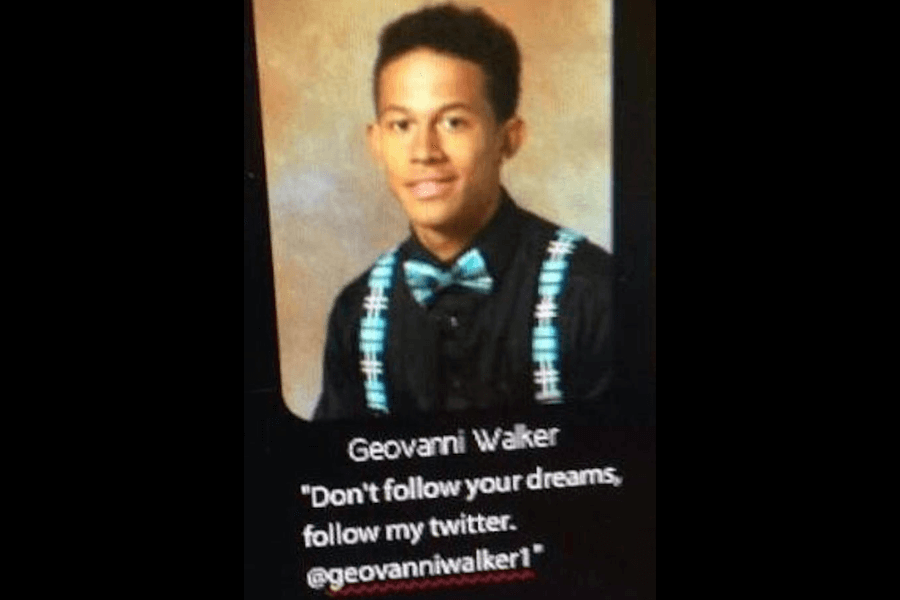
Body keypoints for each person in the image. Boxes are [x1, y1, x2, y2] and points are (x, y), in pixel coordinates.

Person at [313, 3, 612, 420]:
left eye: (453, 122)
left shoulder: (595, 294)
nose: (424, 152)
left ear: (508, 138)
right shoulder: (357, 312)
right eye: (402, 125)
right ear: (376, 141)